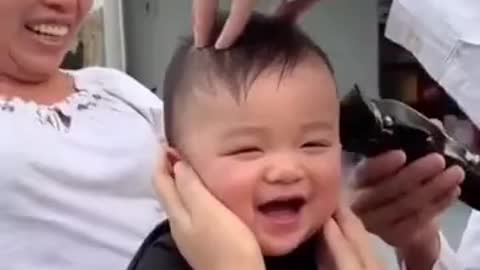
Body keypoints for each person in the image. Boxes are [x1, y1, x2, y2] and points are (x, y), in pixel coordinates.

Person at [128, 12, 382, 270]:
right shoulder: (166, 260)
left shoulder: (339, 250)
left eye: (313, 144)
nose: (287, 171)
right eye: (247, 149)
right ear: (178, 172)